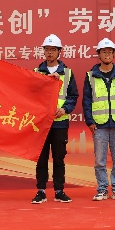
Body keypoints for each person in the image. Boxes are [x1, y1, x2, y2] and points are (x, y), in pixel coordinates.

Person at [83, 38, 115, 201]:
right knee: (99, 161)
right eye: (104, 52)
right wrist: (90, 121)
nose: (107, 54)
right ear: (99, 55)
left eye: (110, 52)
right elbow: (86, 100)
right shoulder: (91, 76)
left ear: (113, 54)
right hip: (99, 124)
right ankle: (102, 189)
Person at [31, 34, 79, 204]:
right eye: (47, 49)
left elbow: (73, 96)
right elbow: (31, 96)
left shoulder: (67, 73)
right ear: (43, 51)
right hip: (41, 124)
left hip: (60, 122)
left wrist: (64, 109)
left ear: (59, 52)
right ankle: (41, 191)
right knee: (41, 158)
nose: (49, 52)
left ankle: (59, 191)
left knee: (59, 158)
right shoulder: (37, 72)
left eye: (53, 49)